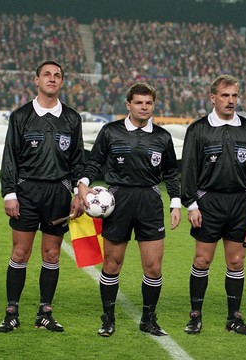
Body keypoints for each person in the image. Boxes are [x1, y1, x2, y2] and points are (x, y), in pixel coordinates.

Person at [77, 83, 181, 337]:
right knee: (112, 264)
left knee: (154, 267)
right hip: (118, 200)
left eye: (148, 103)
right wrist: (83, 184)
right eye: (138, 103)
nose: (144, 107)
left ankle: (149, 319)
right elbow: (95, 163)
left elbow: (171, 173)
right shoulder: (111, 132)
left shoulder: (162, 137)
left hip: (150, 201)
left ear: (153, 105)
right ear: (128, 105)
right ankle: (108, 318)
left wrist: (176, 203)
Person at [0, 60, 85, 333]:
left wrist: (78, 192)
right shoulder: (21, 115)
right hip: (26, 192)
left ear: (62, 82)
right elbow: (9, 157)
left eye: (57, 75)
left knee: (52, 253)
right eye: (46, 74)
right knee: (20, 252)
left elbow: (78, 160)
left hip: (58, 193)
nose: (52, 78)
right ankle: (11, 312)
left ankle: (45, 312)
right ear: (36, 80)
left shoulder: (72, 118)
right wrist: (10, 193)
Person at [181, 75, 246, 336]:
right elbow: (188, 170)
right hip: (208, 202)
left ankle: (234, 318)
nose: (231, 101)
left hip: (241, 204)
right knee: (202, 259)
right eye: (225, 95)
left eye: (234, 96)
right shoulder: (198, 129)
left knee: (236, 261)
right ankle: (195, 316)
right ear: (213, 97)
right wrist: (191, 205)